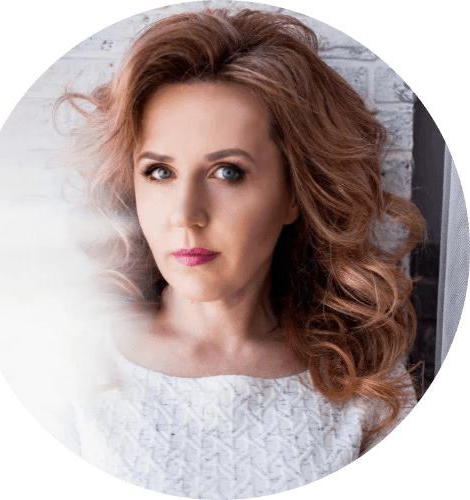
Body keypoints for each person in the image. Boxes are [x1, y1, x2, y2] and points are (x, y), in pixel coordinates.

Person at [53, 7, 426, 498]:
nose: (186, 215)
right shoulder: (70, 364)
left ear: (294, 195)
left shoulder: (364, 385)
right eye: (160, 172)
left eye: (227, 172)